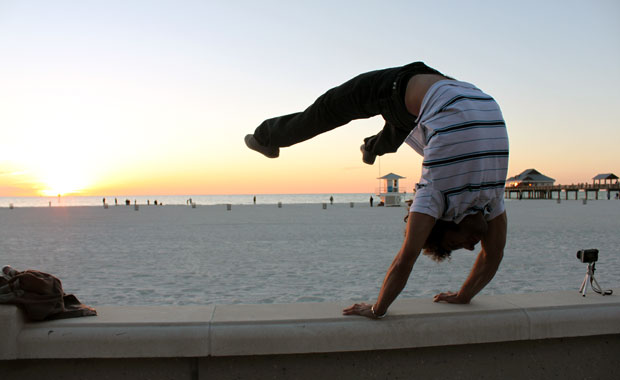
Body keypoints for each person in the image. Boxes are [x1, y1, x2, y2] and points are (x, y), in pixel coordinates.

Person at [245, 61, 509, 319]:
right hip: (430, 90)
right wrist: (463, 296)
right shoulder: (490, 197)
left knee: (348, 112)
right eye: (462, 245)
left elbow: (405, 260)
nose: (471, 246)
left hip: (425, 91)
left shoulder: (433, 196)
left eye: (456, 244)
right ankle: (266, 138)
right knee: (354, 116)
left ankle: (370, 148)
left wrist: (377, 309)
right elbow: (493, 254)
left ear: (442, 220)